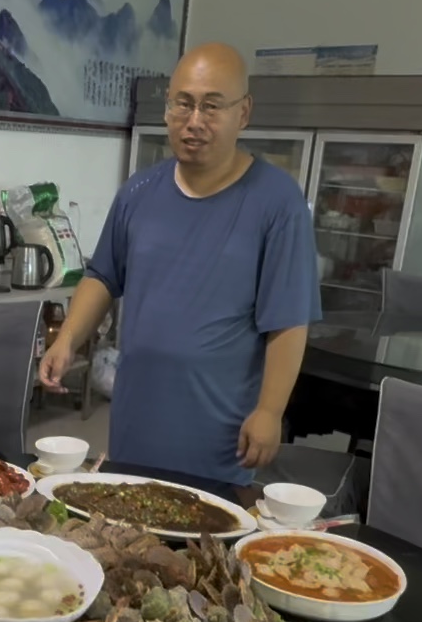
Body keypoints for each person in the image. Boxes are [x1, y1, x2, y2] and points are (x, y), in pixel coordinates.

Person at [38, 43, 319, 485]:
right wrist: (67, 339)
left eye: (212, 106)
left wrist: (269, 410)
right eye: (182, 104)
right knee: (128, 531)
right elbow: (103, 276)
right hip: (137, 420)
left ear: (243, 113)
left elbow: (288, 321)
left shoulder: (278, 203)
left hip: (219, 428)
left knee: (204, 542)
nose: (194, 121)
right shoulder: (139, 192)